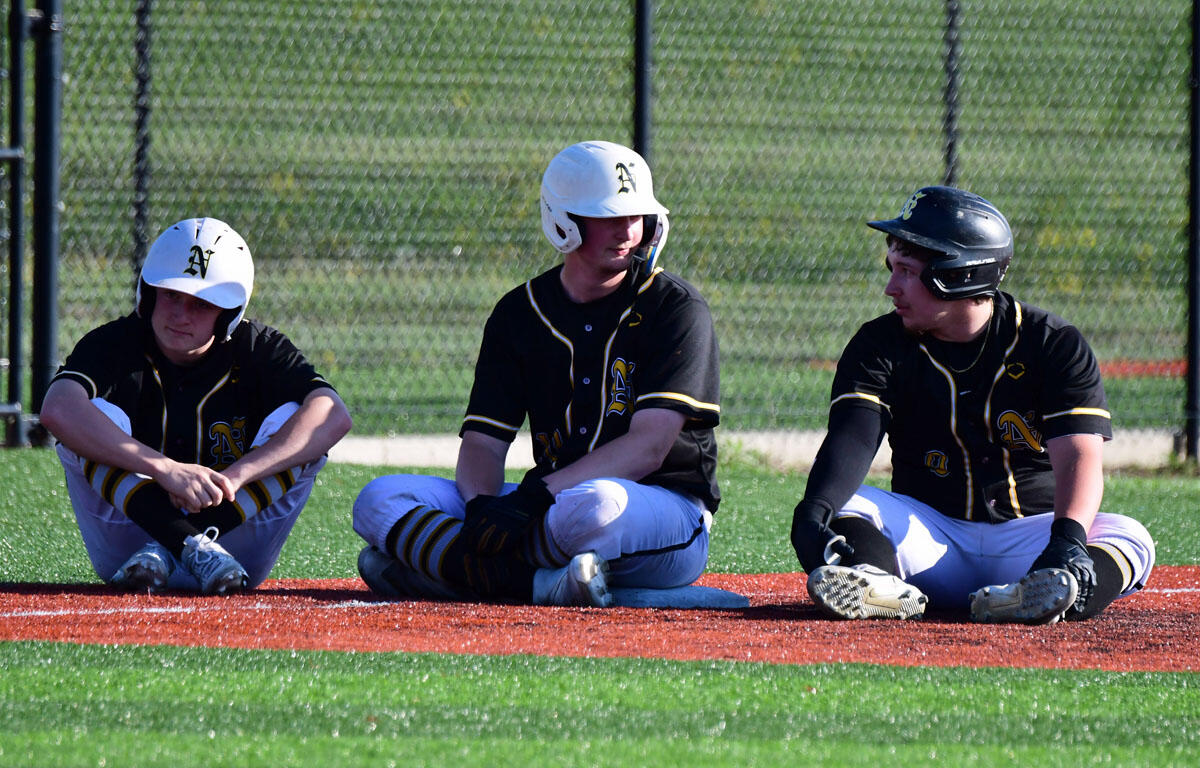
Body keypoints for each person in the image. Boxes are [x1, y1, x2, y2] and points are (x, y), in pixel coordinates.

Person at [353, 140, 721, 606]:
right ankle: (536, 584)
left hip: (660, 510)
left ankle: (450, 571)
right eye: (607, 216)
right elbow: (484, 444)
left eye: (636, 215)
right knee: (379, 499)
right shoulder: (518, 313)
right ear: (563, 220)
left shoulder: (675, 307)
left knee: (596, 506)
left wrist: (528, 501)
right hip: (550, 507)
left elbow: (649, 449)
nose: (627, 230)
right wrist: (482, 510)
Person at [789, 185, 1155, 624]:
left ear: (958, 274)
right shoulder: (879, 344)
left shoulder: (1051, 343)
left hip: (1031, 543)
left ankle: (1050, 592)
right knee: (849, 504)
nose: (891, 287)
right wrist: (814, 510)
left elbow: (1080, 456)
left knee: (1129, 535)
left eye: (906, 270)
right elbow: (853, 435)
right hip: (927, 539)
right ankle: (876, 583)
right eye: (892, 268)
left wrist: (1067, 539)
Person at [40, 217, 352, 594]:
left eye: (201, 304)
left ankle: (180, 545)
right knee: (91, 420)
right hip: (131, 542)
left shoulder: (259, 348)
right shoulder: (115, 341)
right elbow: (57, 409)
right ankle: (177, 541)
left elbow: (333, 414)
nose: (180, 314)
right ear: (149, 292)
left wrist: (236, 477)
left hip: (231, 544)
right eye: (171, 294)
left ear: (229, 312)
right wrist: (165, 469)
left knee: (299, 426)